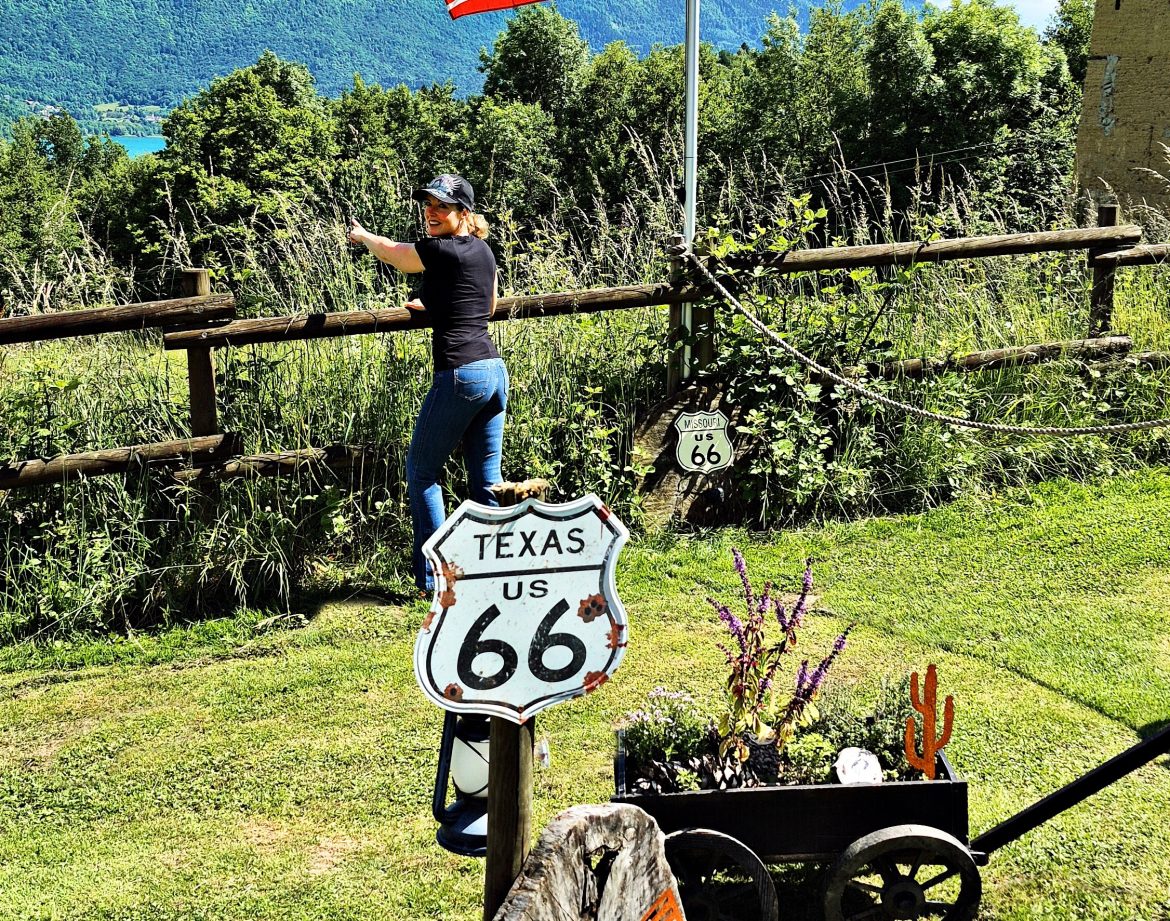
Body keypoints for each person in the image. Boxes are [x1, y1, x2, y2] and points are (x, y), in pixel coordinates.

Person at [346, 174, 507, 593]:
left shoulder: (440, 249)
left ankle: (436, 581)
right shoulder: (483, 251)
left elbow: (397, 255)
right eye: (428, 205)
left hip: (460, 372)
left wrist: (363, 236)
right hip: (492, 370)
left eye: (441, 206)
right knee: (486, 480)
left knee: (421, 472)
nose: (430, 212)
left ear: (463, 213)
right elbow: (485, 305)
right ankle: (490, 570)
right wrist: (434, 303)